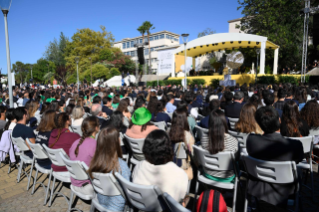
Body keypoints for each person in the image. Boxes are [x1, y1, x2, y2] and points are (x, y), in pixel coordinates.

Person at [246, 106, 304, 207]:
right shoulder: (294, 145)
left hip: (258, 185)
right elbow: (299, 159)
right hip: (286, 187)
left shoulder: (251, 140)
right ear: (279, 120)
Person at [132, 130, 188, 202]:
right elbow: (181, 197)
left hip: (142, 205)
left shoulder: (139, 166)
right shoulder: (180, 174)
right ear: (169, 149)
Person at [88, 127, 131, 211]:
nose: (119, 139)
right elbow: (129, 192)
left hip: (101, 203)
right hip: (118, 207)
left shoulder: (94, 162)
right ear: (115, 142)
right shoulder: (121, 166)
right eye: (118, 137)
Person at [202, 110, 238, 182]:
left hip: (208, 173)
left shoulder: (204, 137)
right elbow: (236, 160)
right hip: (227, 177)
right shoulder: (233, 140)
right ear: (224, 122)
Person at [69, 116, 100, 195]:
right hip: (87, 186)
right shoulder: (94, 144)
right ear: (96, 128)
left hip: (74, 183)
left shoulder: (75, 142)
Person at [169, 109, 194, 180]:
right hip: (182, 166)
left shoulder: (168, 132)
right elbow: (193, 153)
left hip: (169, 163)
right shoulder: (188, 136)